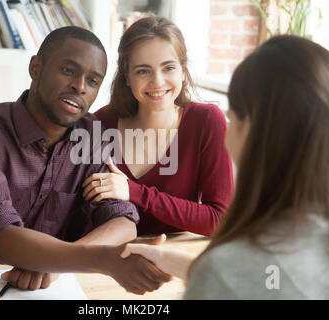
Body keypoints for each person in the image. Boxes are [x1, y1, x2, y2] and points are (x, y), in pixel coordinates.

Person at [0, 26, 171, 295]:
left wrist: (58, 265)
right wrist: (99, 259)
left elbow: (123, 222)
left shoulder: (92, 136)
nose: (80, 86)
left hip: (38, 287)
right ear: (36, 68)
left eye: (93, 81)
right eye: (68, 70)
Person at [120, 35, 329, 299]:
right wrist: (175, 262)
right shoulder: (328, 239)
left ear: (251, 129)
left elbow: (238, 278)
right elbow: (264, 281)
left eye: (231, 118)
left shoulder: (227, 270)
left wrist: (210, 272)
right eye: (143, 70)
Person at [82, 15, 234, 236]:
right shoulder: (100, 124)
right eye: (143, 71)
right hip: (107, 256)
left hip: (174, 255)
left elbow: (218, 220)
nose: (158, 82)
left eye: (168, 68)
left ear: (183, 72)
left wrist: (135, 192)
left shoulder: (206, 121)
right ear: (127, 77)